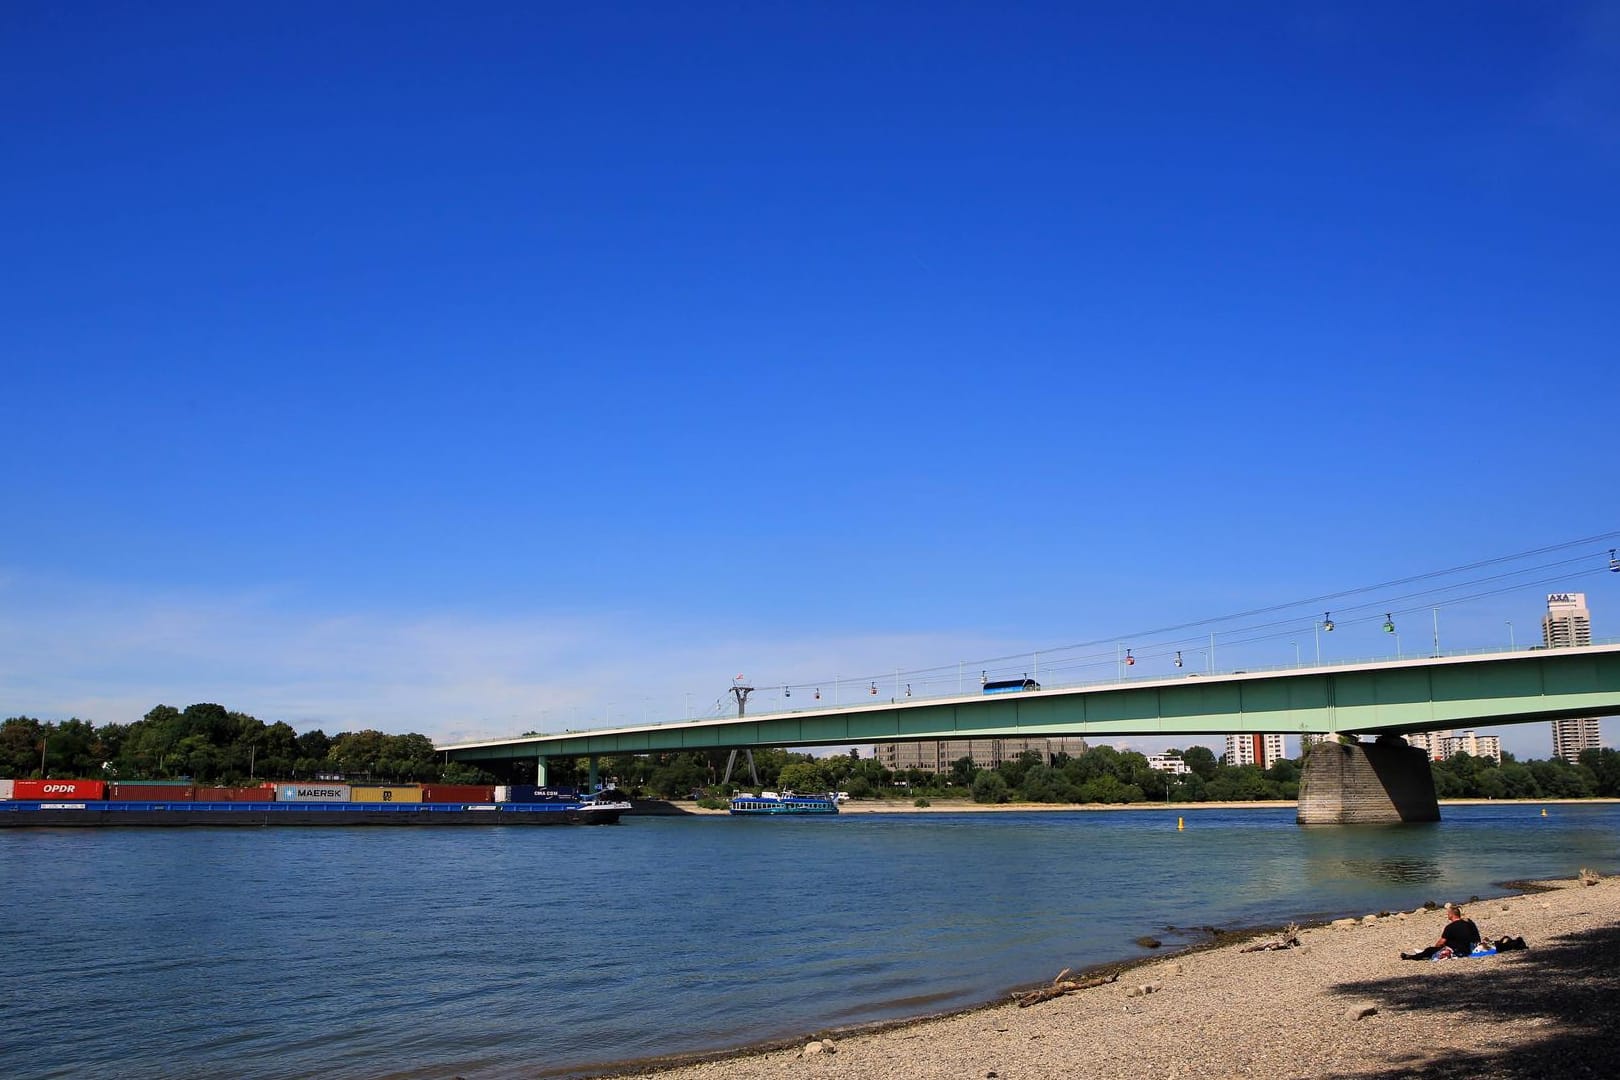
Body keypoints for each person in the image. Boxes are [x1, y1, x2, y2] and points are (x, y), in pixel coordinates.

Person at [1402, 902, 1482, 960]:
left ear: (1451, 915)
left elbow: (1441, 942)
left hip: (1459, 950)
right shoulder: (1468, 922)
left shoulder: (1450, 927)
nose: (1447, 915)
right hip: (1471, 947)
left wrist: (1435, 948)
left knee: (1429, 950)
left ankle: (1411, 957)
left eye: (1448, 914)